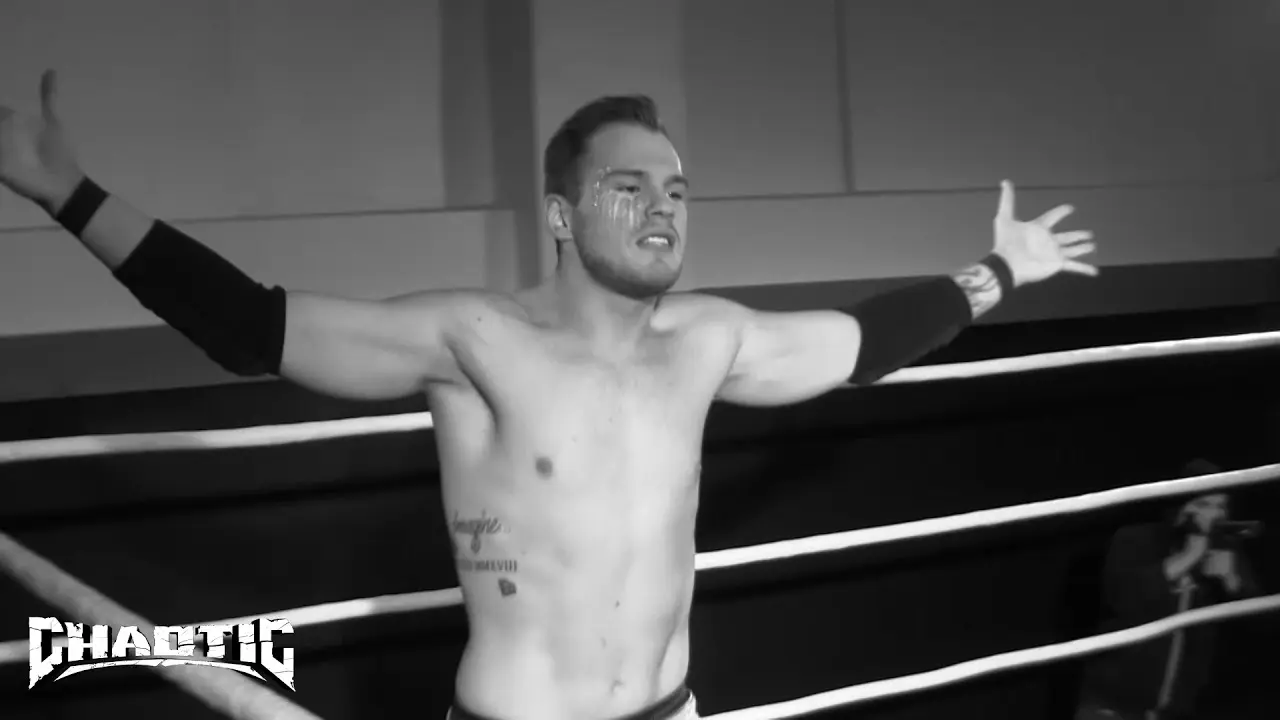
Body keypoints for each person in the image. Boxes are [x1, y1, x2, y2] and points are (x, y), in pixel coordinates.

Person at [0, 71, 1098, 720]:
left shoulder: (709, 341)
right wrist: (71, 195)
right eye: (628, 186)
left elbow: (865, 344)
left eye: (676, 190)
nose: (662, 207)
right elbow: (250, 328)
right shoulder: (475, 340)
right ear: (563, 217)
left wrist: (1002, 269)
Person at [1075, 460, 1263, 720]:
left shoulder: (1227, 551)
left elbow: (1260, 629)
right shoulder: (1135, 539)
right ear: (1181, 506)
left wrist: (1232, 582)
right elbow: (1119, 600)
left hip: (1178, 712)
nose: (1214, 515)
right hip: (1111, 706)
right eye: (1204, 504)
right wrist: (1188, 557)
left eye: (1221, 506)